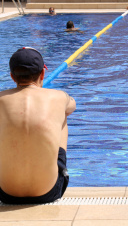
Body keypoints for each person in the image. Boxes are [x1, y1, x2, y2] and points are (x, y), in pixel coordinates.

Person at [0, 47, 76, 204]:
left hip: (5, 193)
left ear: (12, 77)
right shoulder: (59, 97)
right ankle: (57, 169)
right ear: (42, 74)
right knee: (62, 116)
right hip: (49, 191)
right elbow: (72, 107)